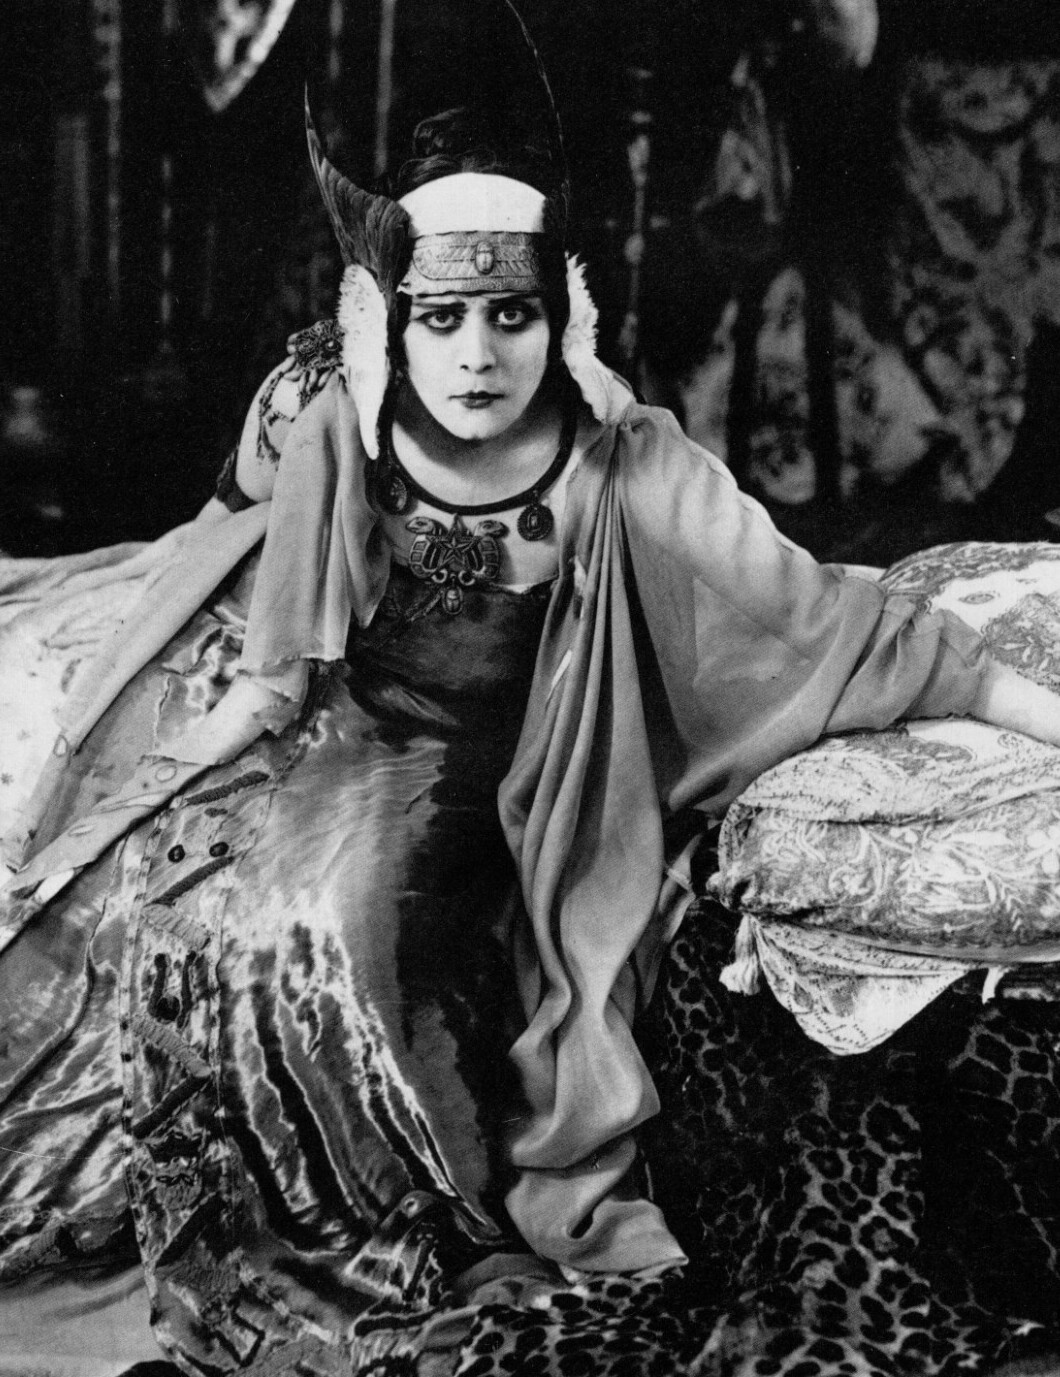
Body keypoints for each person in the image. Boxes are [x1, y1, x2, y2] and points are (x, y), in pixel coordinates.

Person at [3, 97, 1060, 1377]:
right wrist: (181, 749)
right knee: (131, 884)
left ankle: (391, 1221)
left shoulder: (620, 461)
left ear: (562, 320)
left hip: (502, 762)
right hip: (337, 717)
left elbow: (824, 614)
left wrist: (1029, 711)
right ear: (388, 323)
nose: (476, 355)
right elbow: (263, 594)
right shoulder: (340, 421)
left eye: (511, 315)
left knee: (340, 918)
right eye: (439, 318)